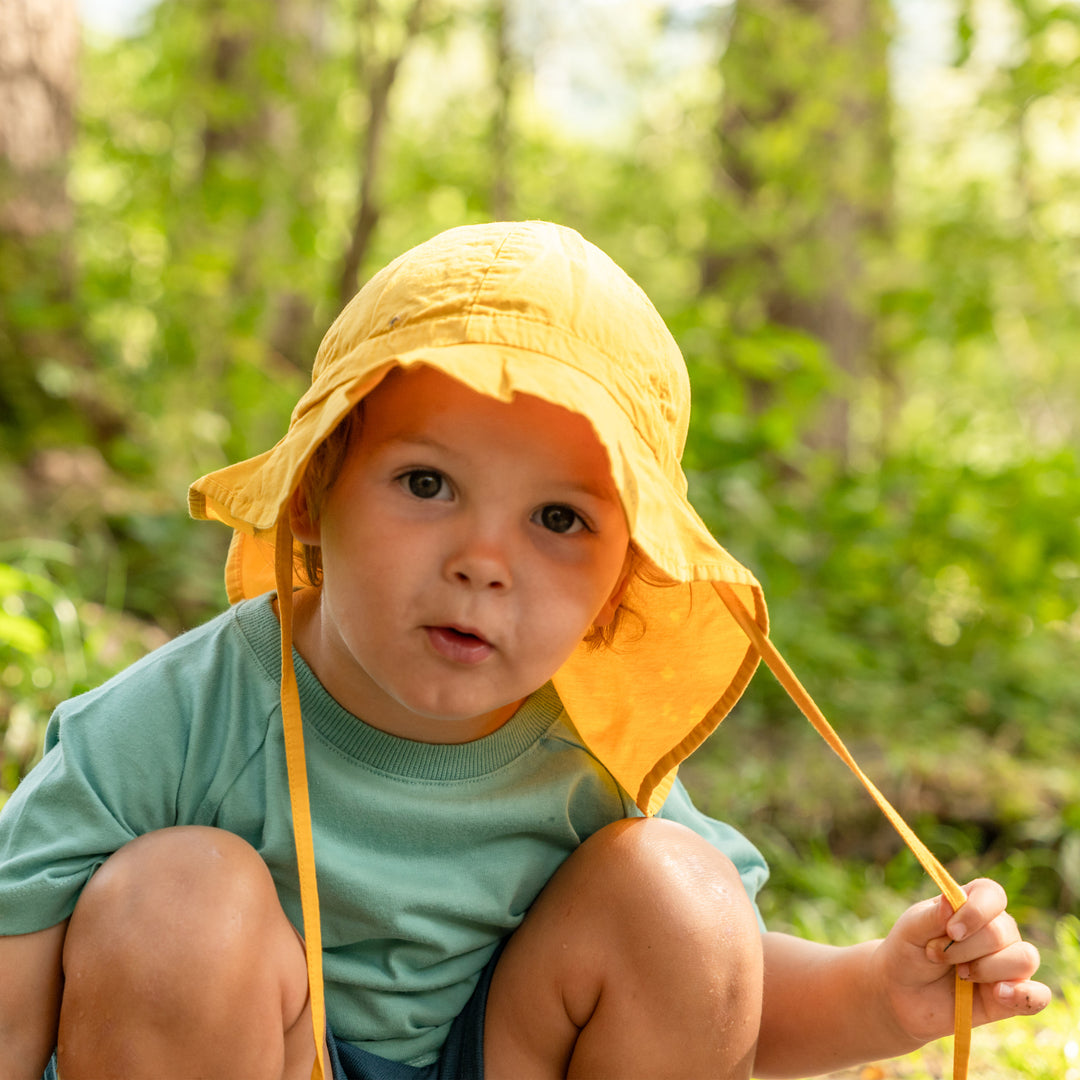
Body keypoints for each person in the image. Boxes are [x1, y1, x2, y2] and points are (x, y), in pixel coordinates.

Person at [0, 221, 1048, 1080]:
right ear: (314, 499)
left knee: (681, 899)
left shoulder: (592, 752)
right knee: (177, 897)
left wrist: (882, 993)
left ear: (615, 591)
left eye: (558, 521)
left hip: (496, 1057)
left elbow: (721, 996)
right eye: (426, 485)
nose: (484, 562)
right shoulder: (185, 717)